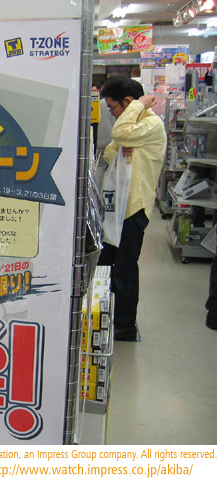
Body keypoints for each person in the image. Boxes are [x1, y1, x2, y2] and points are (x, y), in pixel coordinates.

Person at [98, 77, 167, 341]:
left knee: (125, 269)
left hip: (134, 208)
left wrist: (138, 105)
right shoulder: (133, 126)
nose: (112, 114)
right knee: (105, 265)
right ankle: (104, 316)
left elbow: (119, 136)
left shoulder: (151, 124)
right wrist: (123, 146)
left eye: (113, 107)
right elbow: (110, 151)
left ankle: (125, 325)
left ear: (128, 102)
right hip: (116, 208)